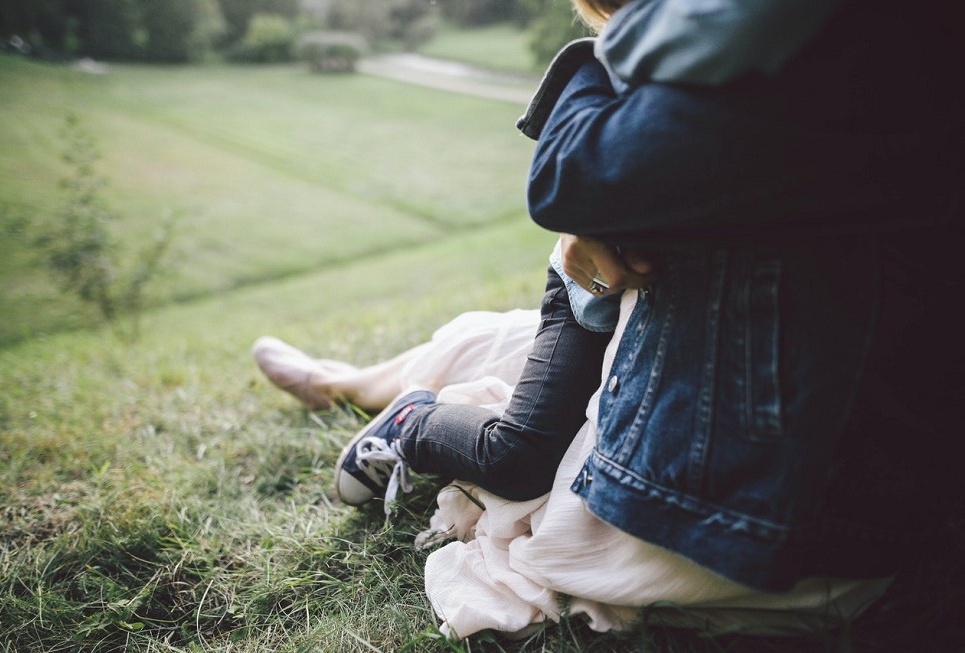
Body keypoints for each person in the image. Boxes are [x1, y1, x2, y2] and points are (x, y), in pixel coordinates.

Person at [255, 0, 963, 638]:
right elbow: (584, 184)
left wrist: (600, 162)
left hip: (766, 421)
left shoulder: (818, 58)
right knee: (509, 349)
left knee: (519, 448)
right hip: (637, 318)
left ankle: (409, 418)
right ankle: (349, 383)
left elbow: (570, 174)